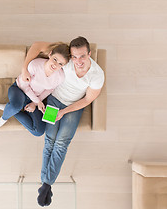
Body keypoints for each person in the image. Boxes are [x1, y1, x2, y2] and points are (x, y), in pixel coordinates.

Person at [21, 36, 105, 207]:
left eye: (82, 56)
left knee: (61, 143)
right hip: (53, 101)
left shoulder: (97, 75)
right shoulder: (65, 61)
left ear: (89, 54)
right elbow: (37, 45)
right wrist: (24, 70)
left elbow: (87, 100)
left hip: (74, 107)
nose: (78, 61)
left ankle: (46, 183)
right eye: (74, 57)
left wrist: (64, 112)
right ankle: (46, 184)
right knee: (50, 140)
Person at [0, 43, 70, 136]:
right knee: (16, 106)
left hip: (33, 99)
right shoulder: (35, 65)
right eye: (55, 59)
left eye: (60, 64)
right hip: (19, 90)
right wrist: (38, 102)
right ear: (50, 54)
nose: (55, 65)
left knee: (39, 131)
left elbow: (49, 90)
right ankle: (3, 119)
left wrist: (34, 104)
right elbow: (24, 86)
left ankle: (9, 109)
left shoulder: (60, 77)